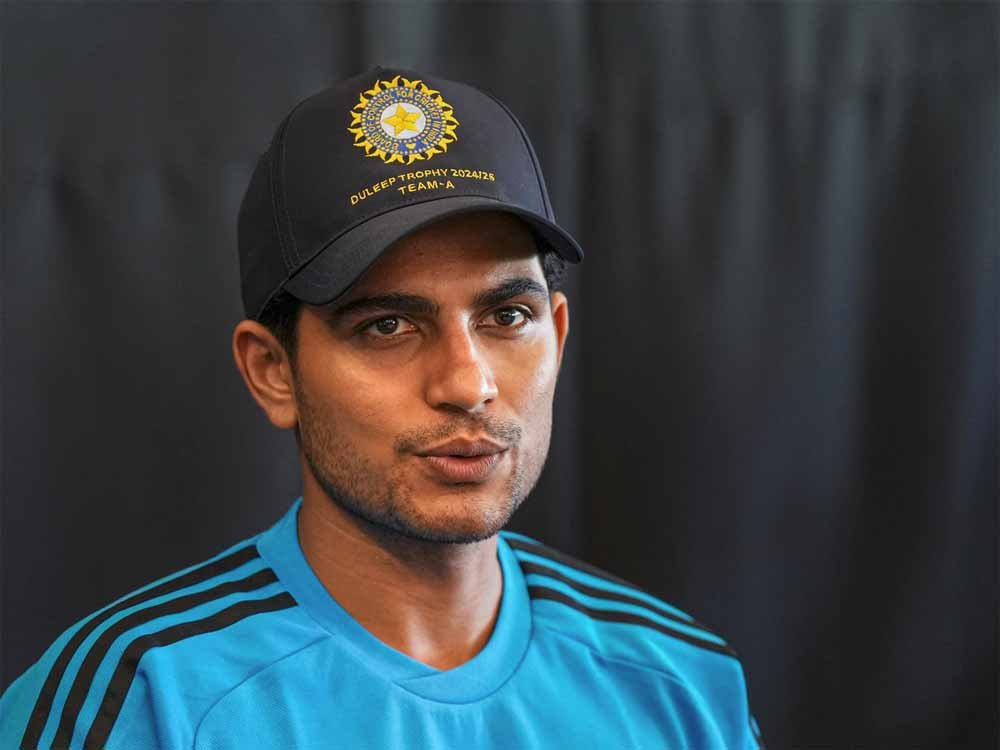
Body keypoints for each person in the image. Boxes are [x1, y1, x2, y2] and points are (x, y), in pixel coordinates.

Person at [1, 66, 764, 750]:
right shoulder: (139, 703)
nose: (467, 383)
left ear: (557, 337)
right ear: (273, 371)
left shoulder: (681, 684)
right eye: (388, 326)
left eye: (507, 317)